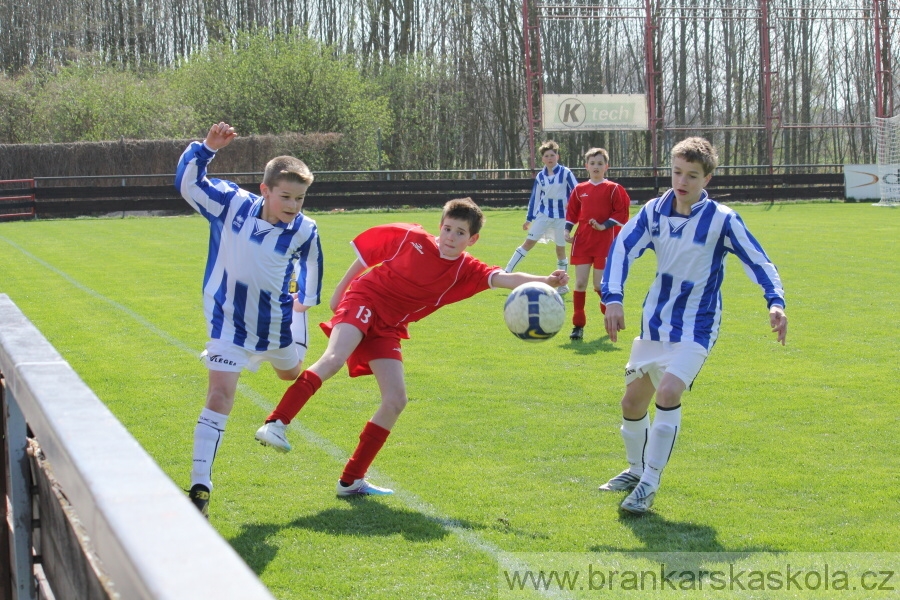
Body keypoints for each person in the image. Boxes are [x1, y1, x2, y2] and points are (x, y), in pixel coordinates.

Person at [255, 197, 569, 496]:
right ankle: (276, 423)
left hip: (389, 326)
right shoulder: (413, 237)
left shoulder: (467, 270)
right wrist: (340, 292)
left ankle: (351, 480)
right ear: (440, 226)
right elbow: (366, 255)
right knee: (335, 357)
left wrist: (546, 280)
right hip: (365, 299)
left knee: (395, 400)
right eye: (447, 228)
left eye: (460, 233)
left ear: (472, 240)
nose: (450, 237)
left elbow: (506, 278)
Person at [599, 137, 787, 514]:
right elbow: (621, 249)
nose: (682, 181)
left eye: (692, 175)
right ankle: (635, 470)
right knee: (631, 402)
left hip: (697, 326)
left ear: (707, 179)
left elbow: (758, 261)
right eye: (677, 172)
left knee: (668, 392)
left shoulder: (722, 220)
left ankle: (650, 483)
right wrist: (613, 297)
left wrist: (776, 301)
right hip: (655, 324)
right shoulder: (654, 212)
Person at [175, 122, 323, 517]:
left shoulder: (305, 230)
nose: (293, 205)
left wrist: (305, 302)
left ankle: (293, 338)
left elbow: (312, 264)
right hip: (227, 323)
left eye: (300, 198)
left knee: (290, 375)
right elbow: (189, 185)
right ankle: (200, 486)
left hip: (275, 326)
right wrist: (207, 148)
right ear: (265, 190)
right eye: (286, 196)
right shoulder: (231, 204)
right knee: (219, 395)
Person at [563, 147, 631, 340]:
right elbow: (572, 212)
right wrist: (567, 230)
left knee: (599, 285)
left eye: (600, 163)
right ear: (586, 166)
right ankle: (578, 325)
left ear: (606, 166)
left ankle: (611, 316)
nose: (596, 166)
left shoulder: (613, 188)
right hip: (583, 241)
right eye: (592, 163)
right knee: (580, 283)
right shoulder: (579, 189)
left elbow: (621, 212)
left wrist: (604, 225)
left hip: (604, 242)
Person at [504, 140, 578, 294]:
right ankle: (506, 272)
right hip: (543, 215)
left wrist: (571, 204)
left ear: (557, 156)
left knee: (560, 250)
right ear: (542, 159)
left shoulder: (565, 173)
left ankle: (562, 284)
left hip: (561, 217)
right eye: (546, 156)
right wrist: (529, 219)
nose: (550, 158)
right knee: (528, 243)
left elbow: (577, 190)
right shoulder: (540, 176)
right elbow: (535, 198)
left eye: (552, 155)